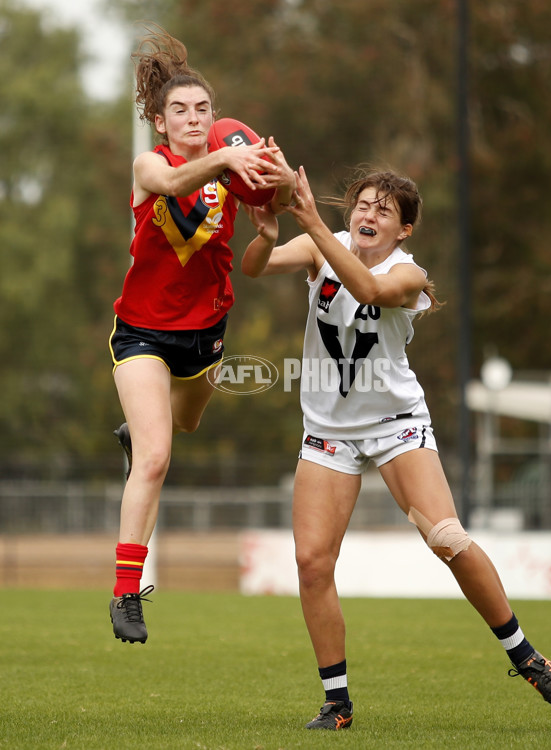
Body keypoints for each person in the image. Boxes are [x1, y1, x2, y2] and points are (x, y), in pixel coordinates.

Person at [241, 166, 551, 730]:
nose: (368, 215)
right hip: (329, 432)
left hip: (396, 425)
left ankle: (526, 655)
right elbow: (252, 268)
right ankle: (337, 703)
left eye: (384, 210)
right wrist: (269, 233)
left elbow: (368, 289)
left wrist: (314, 224)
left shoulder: (408, 274)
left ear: (405, 230)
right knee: (311, 562)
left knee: (445, 537)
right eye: (363, 204)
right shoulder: (325, 243)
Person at [108, 26, 294, 644]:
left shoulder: (232, 157)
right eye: (179, 111)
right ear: (160, 124)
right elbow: (169, 185)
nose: (193, 119)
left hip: (206, 331)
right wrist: (225, 158)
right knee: (157, 455)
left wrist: (272, 198)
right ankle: (126, 591)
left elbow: (283, 199)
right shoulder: (150, 164)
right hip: (141, 332)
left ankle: (139, 436)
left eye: (203, 110)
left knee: (184, 425)